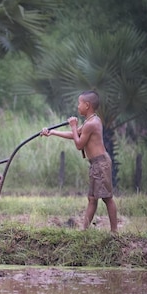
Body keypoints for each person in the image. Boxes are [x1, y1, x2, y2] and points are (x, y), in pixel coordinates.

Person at [40, 91, 118, 232]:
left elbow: (79, 145)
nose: (77, 107)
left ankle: (114, 232)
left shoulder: (92, 123)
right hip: (96, 164)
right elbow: (74, 135)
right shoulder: (91, 121)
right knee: (92, 199)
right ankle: (84, 231)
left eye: (79, 103)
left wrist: (74, 126)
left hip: (101, 163)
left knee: (107, 198)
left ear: (87, 105)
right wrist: (52, 133)